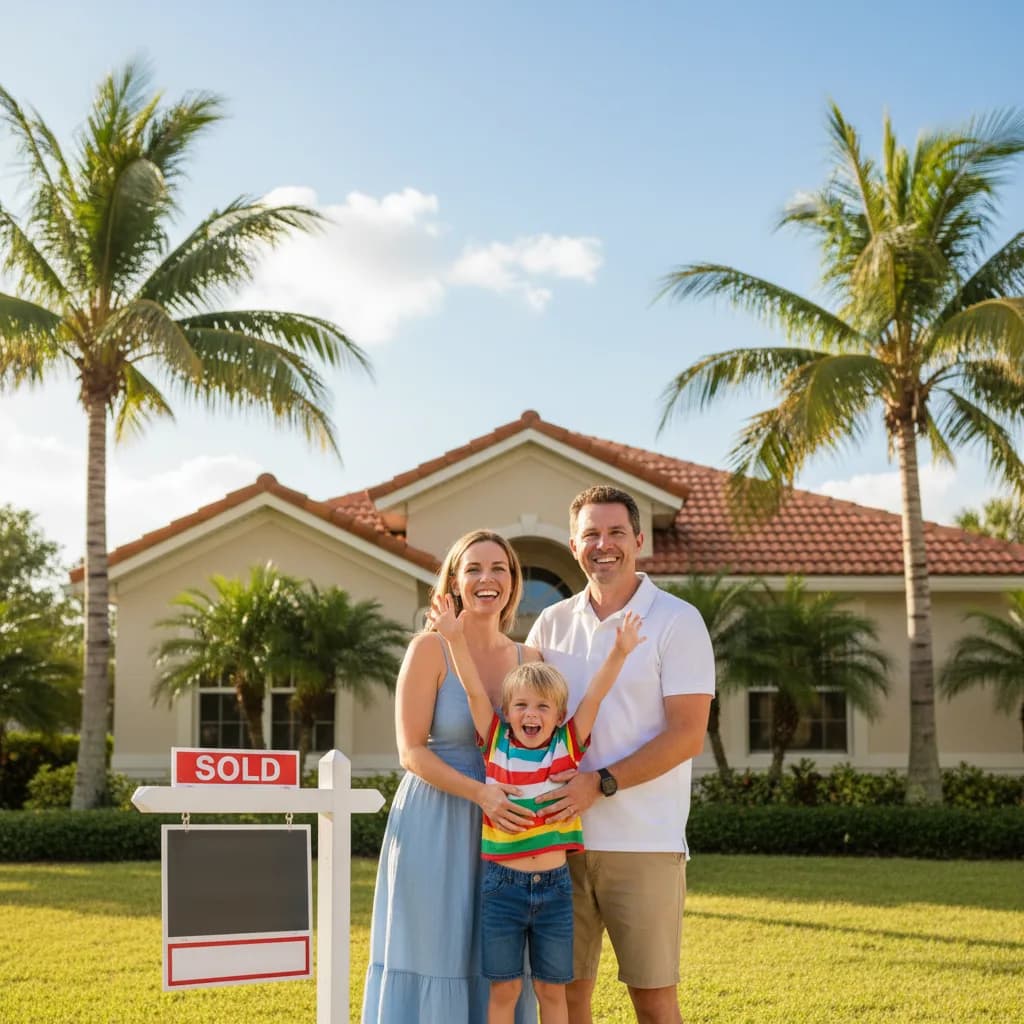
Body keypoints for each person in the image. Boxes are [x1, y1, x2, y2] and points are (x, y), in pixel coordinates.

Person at [526, 486, 715, 1024]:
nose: (602, 544)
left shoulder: (678, 622)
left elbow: (686, 735)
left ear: (639, 539)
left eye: (614, 533)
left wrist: (599, 782)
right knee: (563, 999)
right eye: (590, 534)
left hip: (645, 843)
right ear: (573, 543)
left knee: (653, 1002)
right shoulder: (551, 625)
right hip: (559, 845)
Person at [434, 593, 644, 1024]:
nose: (532, 714)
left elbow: (596, 698)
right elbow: (474, 688)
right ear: (507, 712)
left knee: (553, 992)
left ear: (559, 714)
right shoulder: (496, 740)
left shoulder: (567, 746)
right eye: (522, 706)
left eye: (543, 707)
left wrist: (620, 651)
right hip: (502, 888)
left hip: (554, 888)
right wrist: (453, 639)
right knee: (505, 989)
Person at [361, 530, 539, 1024]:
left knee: (499, 959)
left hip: (506, 826)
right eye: (474, 569)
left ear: (513, 580)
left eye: (499, 568)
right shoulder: (428, 650)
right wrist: (480, 792)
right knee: (433, 948)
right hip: (435, 818)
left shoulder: (531, 660)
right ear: (455, 583)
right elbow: (410, 750)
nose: (488, 579)